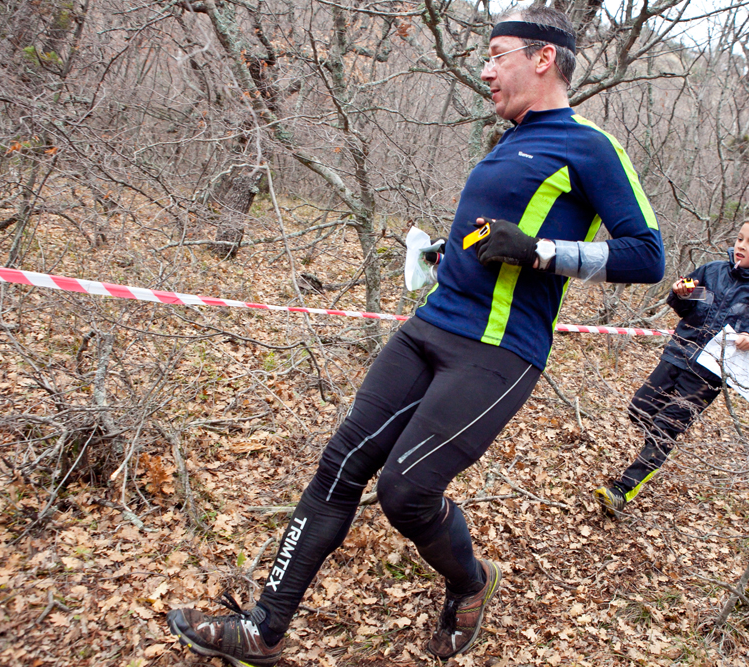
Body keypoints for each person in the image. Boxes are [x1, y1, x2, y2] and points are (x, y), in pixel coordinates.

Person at [166, 7, 664, 666]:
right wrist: (436, 255)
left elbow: (648, 255)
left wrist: (544, 252)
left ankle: (471, 581)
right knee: (341, 463)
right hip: (430, 326)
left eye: (499, 55)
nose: (486, 69)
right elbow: (488, 242)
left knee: (406, 490)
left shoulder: (588, 146)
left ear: (544, 58)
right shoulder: (507, 141)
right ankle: (264, 626)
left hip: (497, 351)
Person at [594, 212, 749, 517]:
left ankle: (623, 489)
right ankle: (658, 447)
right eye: (740, 239)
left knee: (666, 429)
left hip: (710, 373)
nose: (741, 246)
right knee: (639, 409)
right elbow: (686, 306)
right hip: (677, 352)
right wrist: (679, 293)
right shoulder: (712, 271)